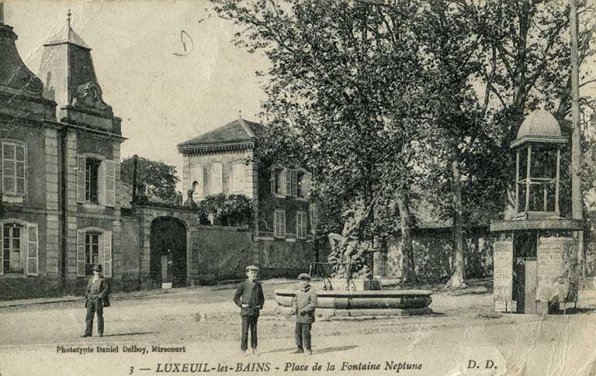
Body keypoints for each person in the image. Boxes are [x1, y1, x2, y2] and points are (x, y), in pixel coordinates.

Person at [233, 265, 265, 355]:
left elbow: (262, 298)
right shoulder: (243, 284)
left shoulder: (258, 285)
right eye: (251, 273)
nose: (253, 275)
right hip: (246, 312)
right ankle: (243, 349)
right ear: (247, 273)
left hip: (254, 312)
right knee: (245, 332)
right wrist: (241, 304)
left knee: (254, 331)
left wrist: (260, 306)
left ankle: (254, 348)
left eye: (255, 273)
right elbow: (236, 297)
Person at [82, 264, 110, 337]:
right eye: (95, 271)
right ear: (93, 272)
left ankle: (100, 332)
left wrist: (101, 295)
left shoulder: (103, 280)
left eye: (98, 271)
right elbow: (87, 290)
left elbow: (107, 289)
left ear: (100, 272)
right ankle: (88, 332)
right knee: (89, 316)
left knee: (99, 315)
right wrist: (88, 296)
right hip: (90, 299)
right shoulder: (91, 280)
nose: (97, 273)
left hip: (98, 299)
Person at [292, 273, 317, 355]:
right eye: (301, 280)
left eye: (305, 280)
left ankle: (308, 348)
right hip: (298, 316)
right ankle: (299, 347)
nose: (303, 282)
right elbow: (295, 301)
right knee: (297, 332)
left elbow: (313, 303)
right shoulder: (299, 291)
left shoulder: (311, 291)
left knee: (306, 333)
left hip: (307, 316)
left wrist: (305, 310)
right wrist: (294, 308)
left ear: (308, 281)